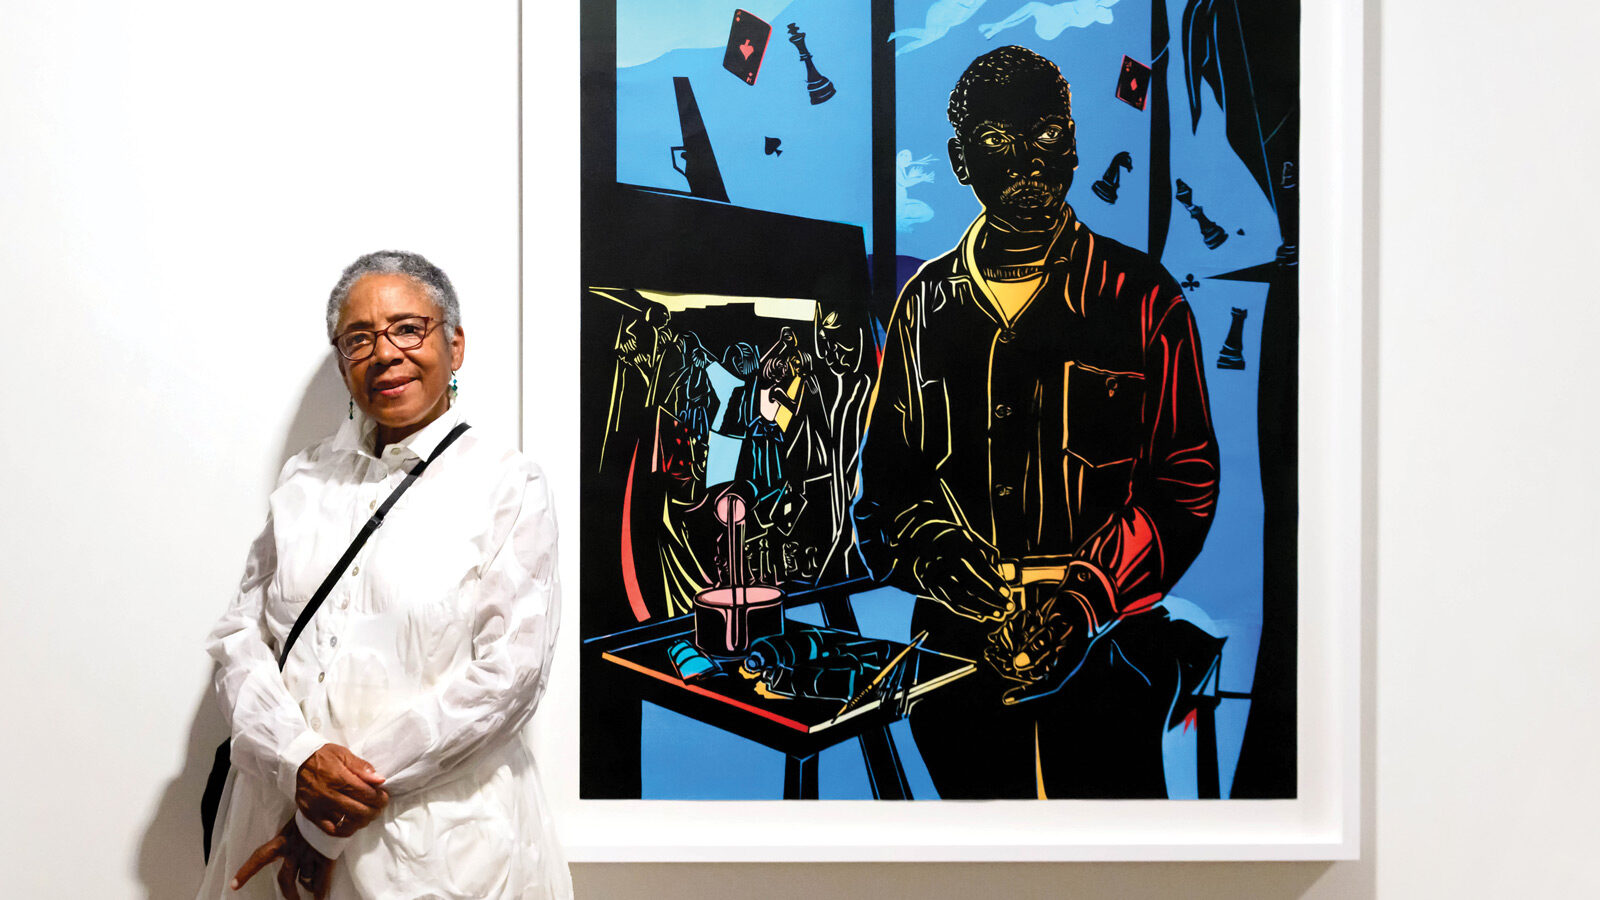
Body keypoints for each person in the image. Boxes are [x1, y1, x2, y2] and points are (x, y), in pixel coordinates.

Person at [855, 46, 1220, 798]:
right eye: (997, 144)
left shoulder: (1144, 299)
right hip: (955, 659)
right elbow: (886, 489)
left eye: (1048, 136)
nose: (1027, 164)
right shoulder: (924, 307)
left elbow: (1184, 486)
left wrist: (1083, 596)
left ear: (1076, 145)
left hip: (1111, 649)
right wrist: (937, 560)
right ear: (961, 160)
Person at [196, 251, 572, 898]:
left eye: (407, 328)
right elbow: (240, 638)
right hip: (277, 812)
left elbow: (510, 677)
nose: (385, 353)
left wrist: (331, 809)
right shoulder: (304, 481)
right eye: (358, 338)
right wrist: (298, 761)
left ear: (454, 345)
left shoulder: (507, 484)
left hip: (438, 845)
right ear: (343, 363)